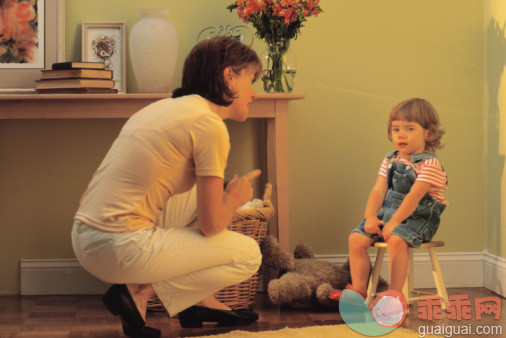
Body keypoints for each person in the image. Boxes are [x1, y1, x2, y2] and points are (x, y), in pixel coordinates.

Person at [71, 36, 263, 337]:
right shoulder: (209, 125)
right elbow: (212, 226)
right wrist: (232, 200)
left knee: (194, 192)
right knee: (250, 254)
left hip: (85, 234)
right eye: (251, 80)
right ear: (229, 77)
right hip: (117, 247)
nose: (254, 94)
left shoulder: (164, 109)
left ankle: (194, 303)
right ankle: (141, 293)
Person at [330, 98, 448, 301]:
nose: (401, 134)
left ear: (428, 133)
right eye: (396, 129)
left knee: (396, 240)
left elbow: (414, 196)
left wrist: (394, 223)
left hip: (418, 218)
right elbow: (378, 190)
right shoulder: (391, 159)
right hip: (388, 213)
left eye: (409, 129)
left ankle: (394, 294)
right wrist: (369, 217)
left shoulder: (429, 163)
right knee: (356, 240)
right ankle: (359, 289)